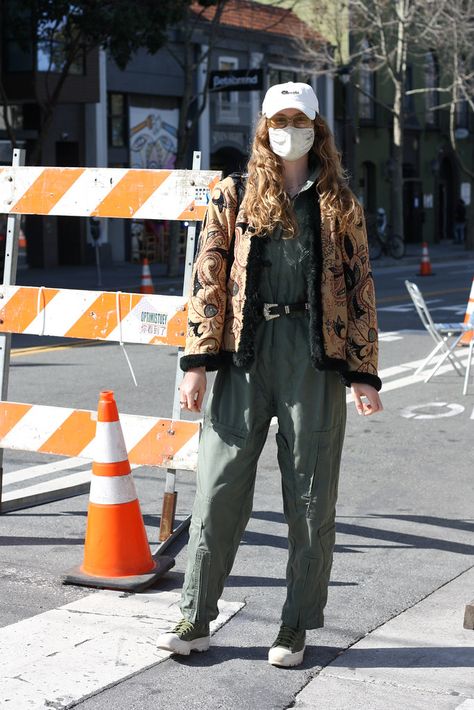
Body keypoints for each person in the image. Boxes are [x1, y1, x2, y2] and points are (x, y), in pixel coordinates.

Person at [157, 82, 383, 667]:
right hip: (242, 358)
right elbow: (208, 279)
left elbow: (360, 288)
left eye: (298, 120)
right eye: (278, 120)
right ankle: (195, 615)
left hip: (313, 362)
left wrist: (363, 372)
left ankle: (294, 626)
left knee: (310, 497)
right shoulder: (232, 194)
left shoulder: (339, 201)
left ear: (316, 128)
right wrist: (198, 361)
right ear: (263, 128)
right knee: (217, 489)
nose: (288, 129)